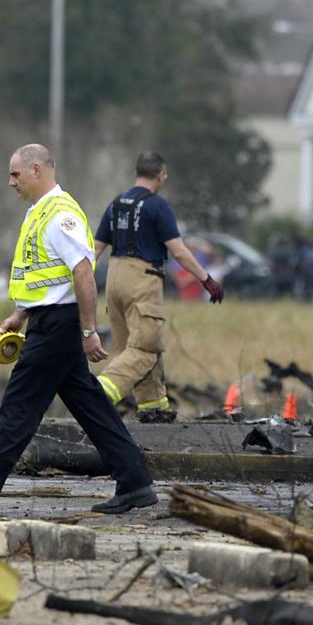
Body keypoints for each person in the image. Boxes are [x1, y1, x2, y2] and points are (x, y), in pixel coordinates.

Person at [0, 144, 157, 516]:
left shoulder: (60, 214)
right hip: (47, 320)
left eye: (15, 174)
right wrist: (21, 315)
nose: (10, 182)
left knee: (19, 407)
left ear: (37, 170)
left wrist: (88, 332)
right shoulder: (38, 213)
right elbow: (45, 275)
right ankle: (135, 483)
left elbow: (83, 274)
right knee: (92, 407)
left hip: (59, 327)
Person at [92, 151, 225, 423]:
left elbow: (94, 249)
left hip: (114, 279)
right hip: (142, 280)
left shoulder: (116, 203)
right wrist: (206, 279)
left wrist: (75, 281)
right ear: (161, 175)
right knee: (145, 348)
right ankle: (98, 393)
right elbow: (178, 251)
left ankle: (153, 407)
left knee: (131, 347)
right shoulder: (157, 206)